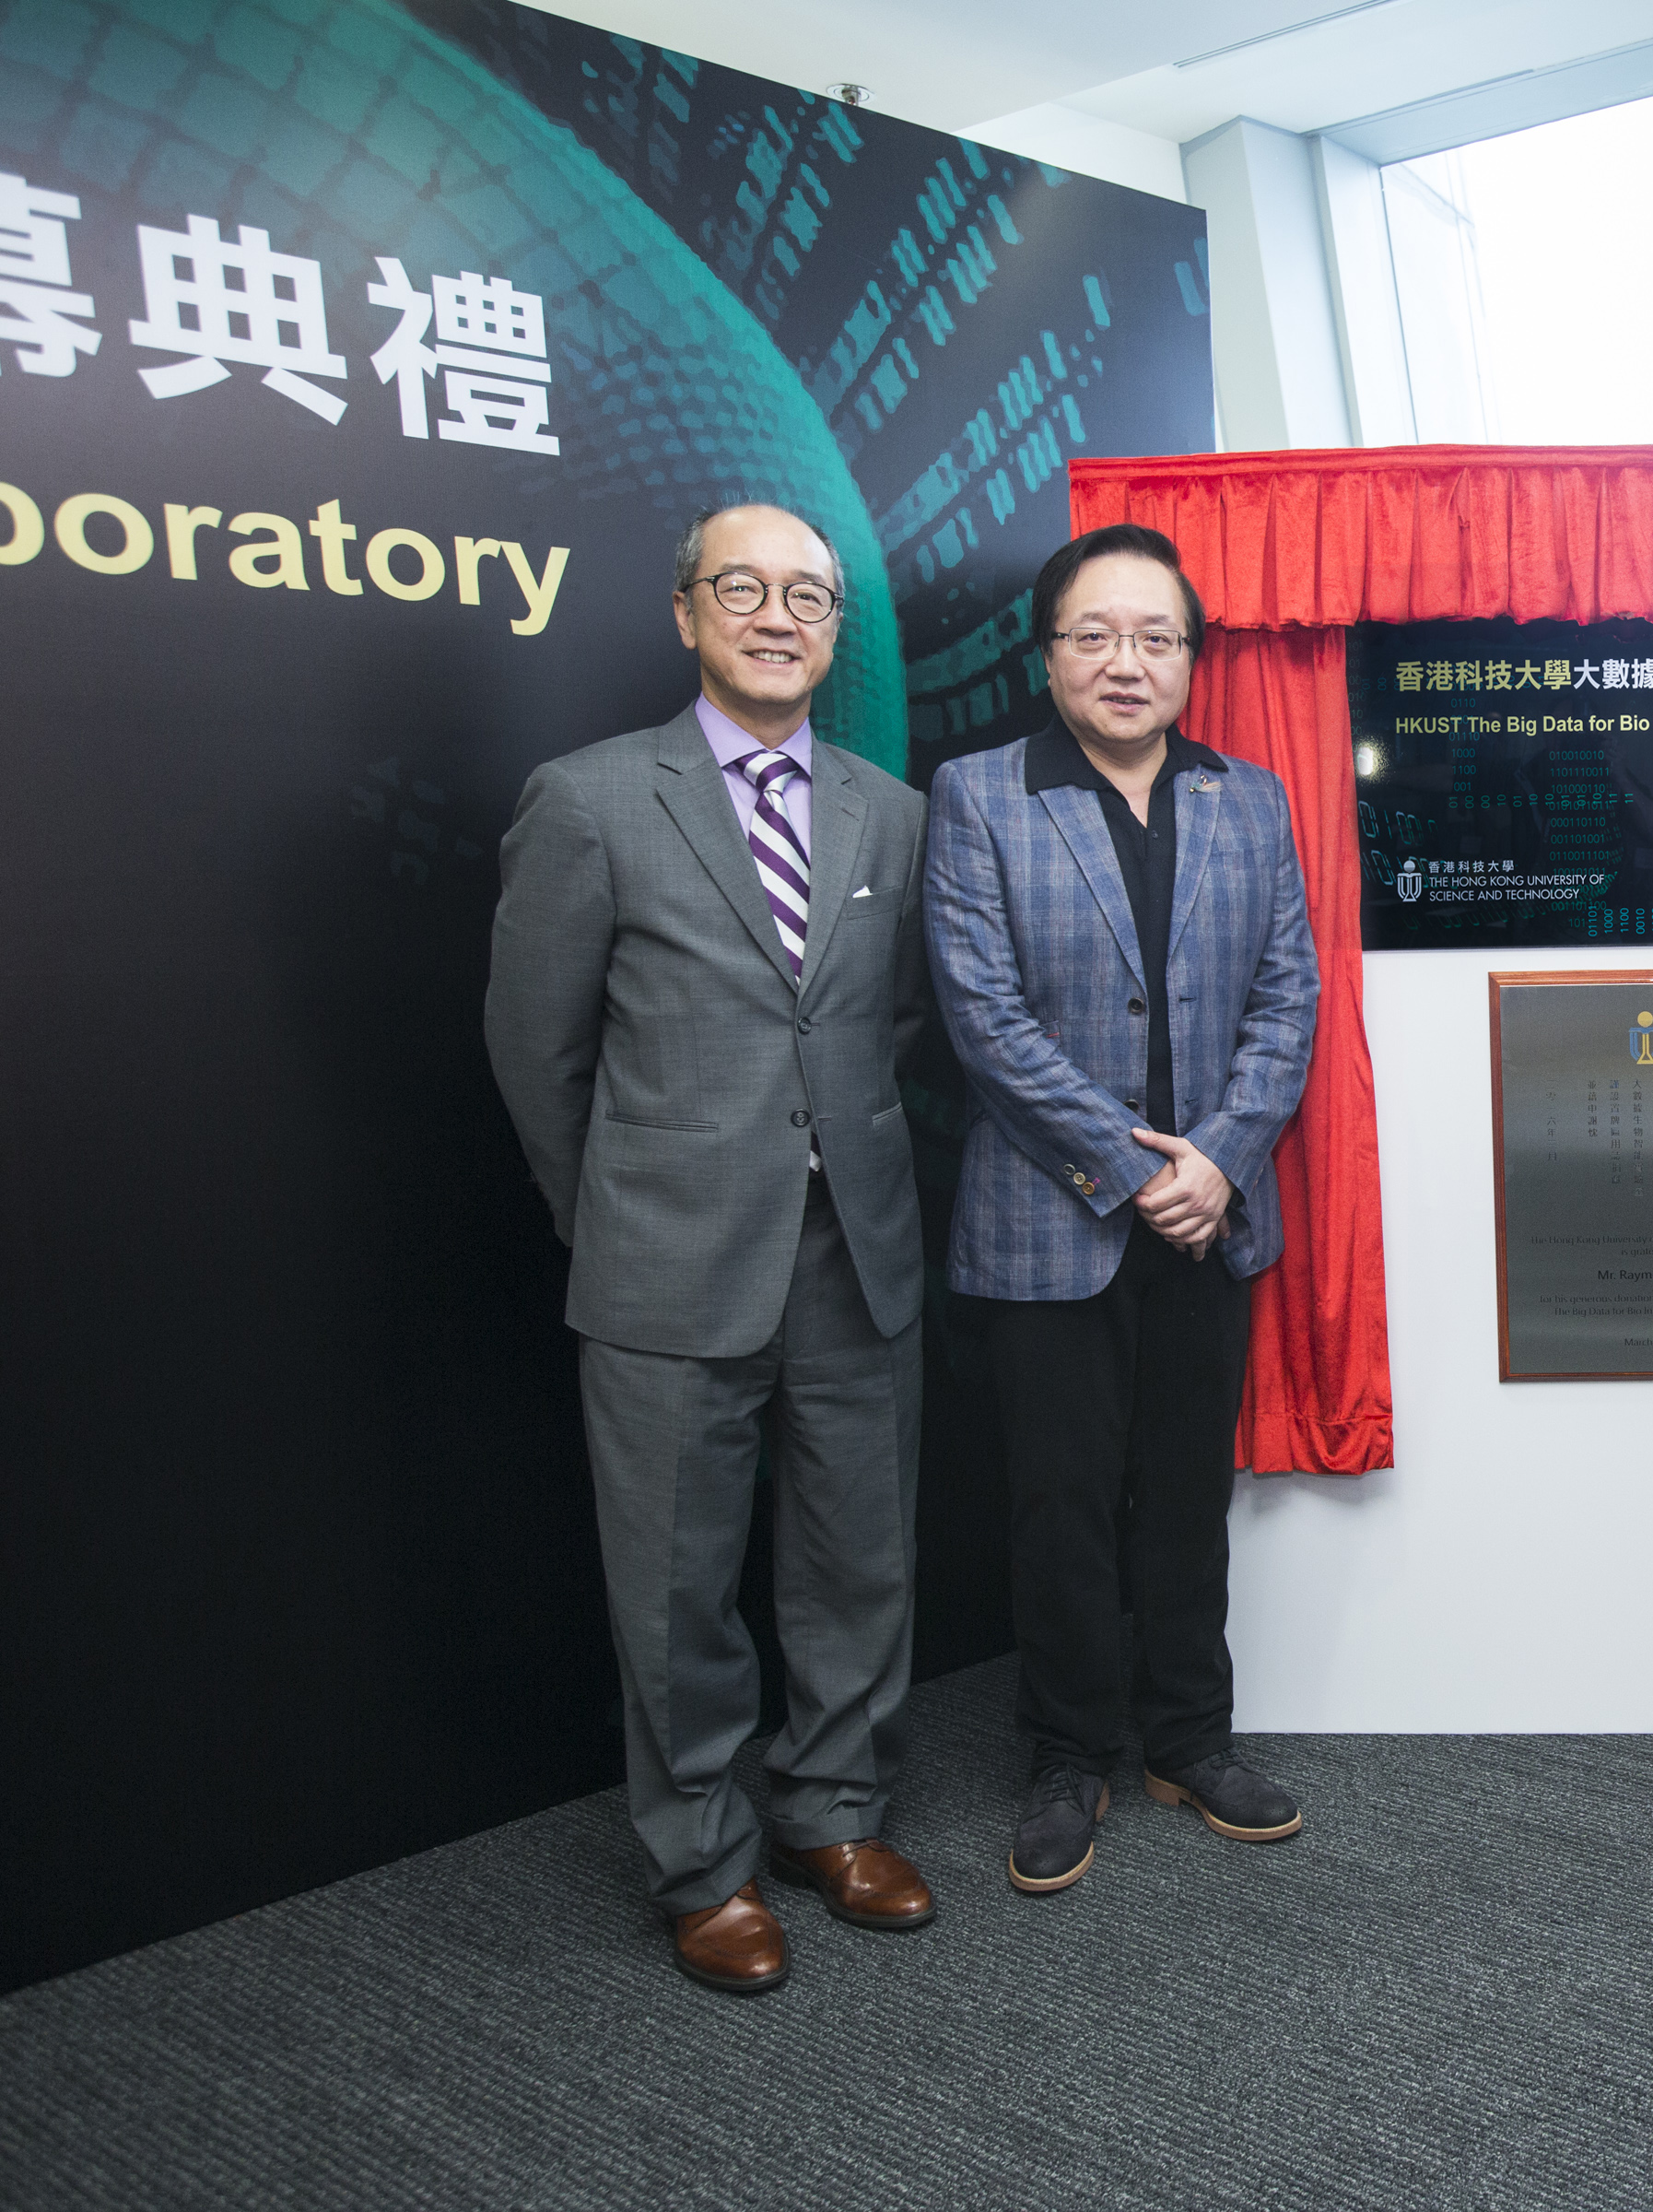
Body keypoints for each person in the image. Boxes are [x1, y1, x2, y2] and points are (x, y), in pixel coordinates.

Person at [487, 503, 938, 1994]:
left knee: (854, 1562)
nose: (777, 614)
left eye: (808, 595)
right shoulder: (593, 799)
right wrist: (612, 1209)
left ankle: (834, 1813)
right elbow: (537, 1051)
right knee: (675, 1588)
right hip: (668, 1257)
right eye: (742, 587)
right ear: (686, 614)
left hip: (854, 1250)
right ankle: (703, 1862)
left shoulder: (892, 809)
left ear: (830, 631)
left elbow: (895, 1027)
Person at [925, 523, 1319, 1895]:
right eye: (1095, 634)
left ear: (1191, 660)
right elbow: (983, 1018)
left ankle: (1188, 1739)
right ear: (1049, 654)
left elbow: (1289, 999)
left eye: (1155, 636)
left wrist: (1217, 1157)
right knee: (1060, 1505)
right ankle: (1066, 1756)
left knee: (1186, 1495)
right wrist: (1138, 1165)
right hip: (1051, 1219)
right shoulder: (981, 796)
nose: (1126, 661)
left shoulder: (1248, 799)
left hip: (1215, 1218)